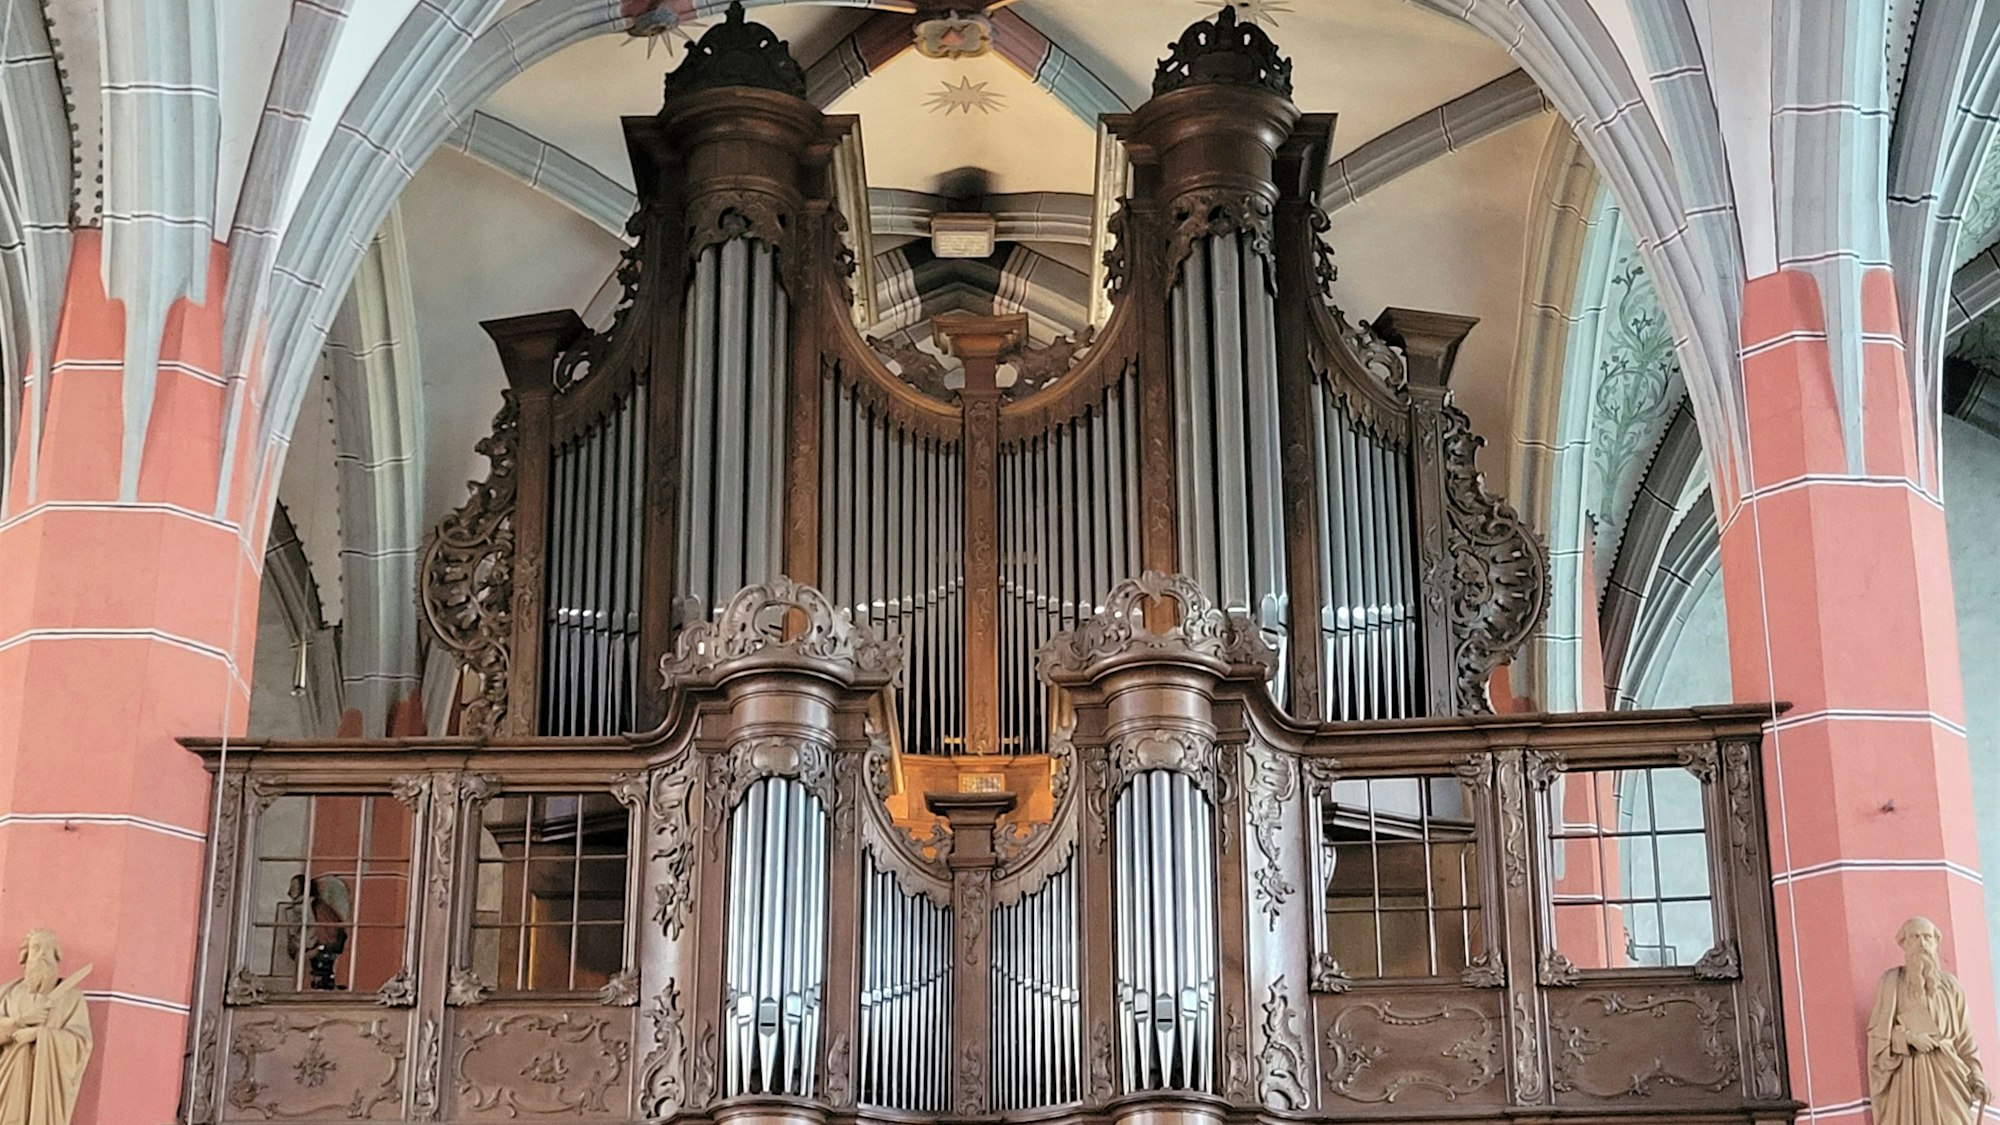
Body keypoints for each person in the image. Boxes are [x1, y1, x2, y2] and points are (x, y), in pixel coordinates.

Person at [1870, 917, 1992, 1125]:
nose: (1922, 944)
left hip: (1948, 1075)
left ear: (1936, 942)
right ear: (1904, 943)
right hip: (1909, 1079)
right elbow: (1878, 1035)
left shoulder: (1951, 987)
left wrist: (1977, 1077)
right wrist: (1909, 1039)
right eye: (1915, 937)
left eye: (1927, 937)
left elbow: (1965, 1039)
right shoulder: (1892, 982)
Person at [0, 929, 92, 1125]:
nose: (41, 954)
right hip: (8, 1080)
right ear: (25, 955)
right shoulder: (8, 993)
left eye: (48, 949)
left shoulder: (71, 998)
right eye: (36, 948)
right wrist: (19, 1021)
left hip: (43, 1085)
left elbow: (81, 1042)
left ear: (56, 956)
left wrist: (39, 1035)